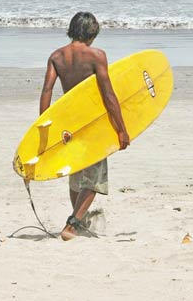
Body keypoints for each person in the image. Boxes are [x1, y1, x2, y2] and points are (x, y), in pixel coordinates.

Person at [39, 12, 130, 240]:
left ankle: (77, 222)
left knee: (77, 175)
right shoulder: (96, 55)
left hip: (68, 124)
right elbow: (108, 94)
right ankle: (71, 225)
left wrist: (43, 126)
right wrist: (121, 128)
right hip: (92, 123)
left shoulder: (56, 56)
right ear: (91, 33)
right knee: (94, 177)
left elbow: (47, 91)